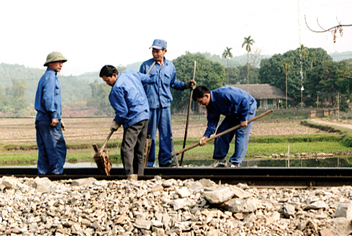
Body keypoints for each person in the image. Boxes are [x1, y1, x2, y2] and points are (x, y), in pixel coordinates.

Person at [139, 39, 195, 167]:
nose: (155, 54)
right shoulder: (146, 66)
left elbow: (174, 83)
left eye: (157, 51)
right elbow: (139, 85)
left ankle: (165, 162)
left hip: (165, 105)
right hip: (150, 106)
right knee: (150, 136)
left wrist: (186, 85)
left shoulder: (170, 66)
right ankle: (148, 163)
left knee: (166, 134)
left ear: (165, 51)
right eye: (153, 51)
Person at [99, 65, 150, 177]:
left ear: (114, 75)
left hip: (134, 119)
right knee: (139, 150)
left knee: (127, 149)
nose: (107, 83)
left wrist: (116, 122)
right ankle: (140, 176)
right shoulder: (131, 74)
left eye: (107, 80)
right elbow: (148, 79)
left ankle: (130, 176)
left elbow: (122, 112)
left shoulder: (116, 89)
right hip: (145, 115)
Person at [192, 85, 257, 167]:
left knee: (241, 133)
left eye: (200, 101)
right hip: (233, 113)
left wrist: (244, 119)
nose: (201, 104)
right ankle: (221, 160)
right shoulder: (210, 106)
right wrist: (206, 136)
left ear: (206, 96)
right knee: (221, 133)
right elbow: (212, 122)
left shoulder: (223, 93)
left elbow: (244, 100)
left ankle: (236, 162)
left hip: (247, 107)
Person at [34, 51, 67, 175]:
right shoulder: (51, 77)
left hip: (41, 118)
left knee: (44, 150)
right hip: (48, 119)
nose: (61, 65)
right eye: (58, 62)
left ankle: (43, 175)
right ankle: (56, 175)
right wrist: (54, 116)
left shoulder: (45, 77)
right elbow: (48, 98)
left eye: (62, 62)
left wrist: (59, 116)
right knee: (57, 148)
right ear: (50, 63)